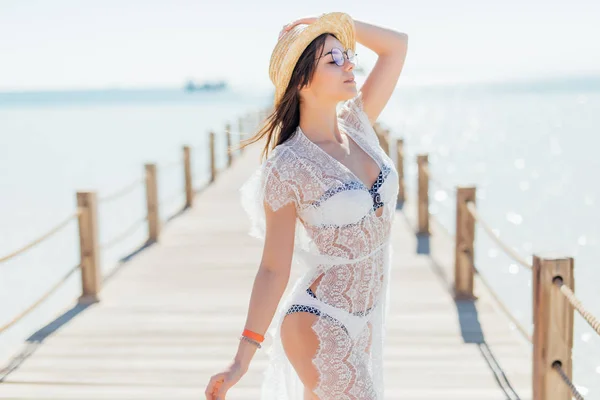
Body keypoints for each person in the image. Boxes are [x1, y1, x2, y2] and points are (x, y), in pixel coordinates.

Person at [205, 12, 408, 400]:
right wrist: (241, 359)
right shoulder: (287, 166)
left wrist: (340, 22)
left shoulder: (359, 127)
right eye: (333, 59)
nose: (350, 64)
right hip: (317, 321)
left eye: (348, 55)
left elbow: (397, 46)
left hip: (365, 320)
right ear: (301, 81)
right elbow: (272, 267)